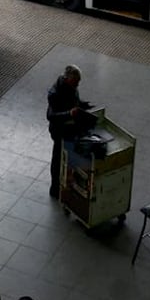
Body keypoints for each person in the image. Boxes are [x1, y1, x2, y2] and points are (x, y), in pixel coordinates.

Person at [46, 64, 93, 199]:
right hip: (60, 131)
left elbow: (74, 101)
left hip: (71, 129)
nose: (77, 85)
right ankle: (54, 188)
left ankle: (69, 184)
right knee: (58, 158)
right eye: (75, 82)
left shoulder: (72, 88)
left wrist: (82, 105)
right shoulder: (55, 93)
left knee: (68, 158)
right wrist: (69, 113)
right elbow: (51, 116)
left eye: (78, 82)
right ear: (67, 79)